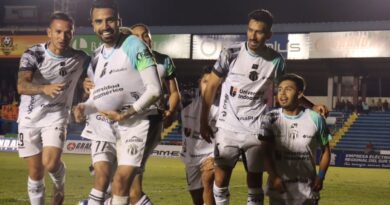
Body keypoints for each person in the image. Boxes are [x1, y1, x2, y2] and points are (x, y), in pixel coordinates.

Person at [200, 9, 328, 205]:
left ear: (268, 34)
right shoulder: (230, 53)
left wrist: (311, 106)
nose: (253, 36)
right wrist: (204, 120)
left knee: (254, 182)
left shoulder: (276, 60)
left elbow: (287, 90)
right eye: (250, 30)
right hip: (227, 128)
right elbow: (211, 87)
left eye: (259, 31)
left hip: (255, 129)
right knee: (221, 179)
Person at [84, 1, 163, 205]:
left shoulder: (133, 44)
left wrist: (126, 114)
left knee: (121, 183)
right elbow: (96, 93)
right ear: (92, 25)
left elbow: (155, 89)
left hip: (138, 122)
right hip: (109, 125)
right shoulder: (96, 56)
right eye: (99, 21)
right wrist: (84, 105)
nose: (105, 26)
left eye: (110, 20)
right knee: (112, 183)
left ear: (118, 21)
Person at [16, 11, 90, 205]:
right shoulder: (33, 54)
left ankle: (59, 182)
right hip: (29, 117)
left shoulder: (79, 58)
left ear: (73, 33)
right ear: (49, 32)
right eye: (58, 32)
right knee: (35, 172)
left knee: (50, 164)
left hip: (57, 116)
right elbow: (22, 86)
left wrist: (86, 85)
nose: (62, 37)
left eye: (68, 32)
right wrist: (44, 88)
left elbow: (95, 75)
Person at [128, 23, 181, 205]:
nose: (142, 39)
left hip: (150, 119)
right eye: (136, 37)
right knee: (121, 181)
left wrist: (170, 111)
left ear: (151, 38)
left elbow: (174, 92)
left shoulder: (163, 60)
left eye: (145, 35)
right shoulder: (124, 61)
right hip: (126, 121)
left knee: (129, 181)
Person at [262, 73, 331, 205]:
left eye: (288, 89)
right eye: (280, 89)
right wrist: (274, 177)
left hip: (307, 191)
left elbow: (326, 151)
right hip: (279, 190)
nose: (282, 94)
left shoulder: (315, 119)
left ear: (300, 94)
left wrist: (321, 176)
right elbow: (265, 153)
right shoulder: (270, 118)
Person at [181, 66, 217, 205]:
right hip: (191, 158)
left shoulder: (222, 108)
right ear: (199, 82)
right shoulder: (187, 106)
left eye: (213, 83)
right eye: (205, 81)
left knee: (208, 185)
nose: (209, 86)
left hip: (210, 155)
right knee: (197, 198)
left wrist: (215, 157)